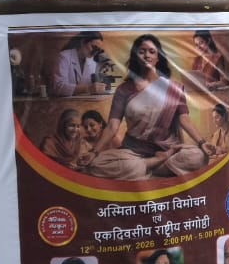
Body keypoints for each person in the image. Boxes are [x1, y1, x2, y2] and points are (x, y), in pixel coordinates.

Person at [86, 34, 214, 180]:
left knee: (198, 157)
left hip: (169, 150)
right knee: (95, 164)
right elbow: (112, 126)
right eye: (142, 52)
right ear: (135, 57)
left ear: (158, 57)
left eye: (152, 52)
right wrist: (93, 152)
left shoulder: (173, 88)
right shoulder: (124, 90)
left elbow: (184, 119)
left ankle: (145, 167)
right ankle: (156, 163)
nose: (147, 55)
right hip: (134, 151)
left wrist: (202, 143)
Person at [51, 31, 107, 97]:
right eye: (93, 47)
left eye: (98, 49)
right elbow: (58, 87)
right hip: (65, 101)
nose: (95, 52)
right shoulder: (64, 56)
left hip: (84, 101)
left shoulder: (92, 61)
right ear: (82, 42)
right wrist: (88, 88)